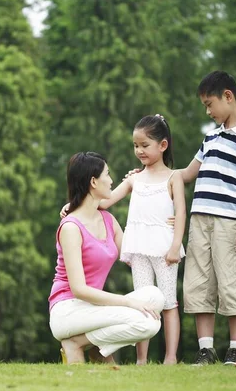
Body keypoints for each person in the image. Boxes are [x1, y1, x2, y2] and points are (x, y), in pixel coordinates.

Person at [124, 71, 236, 365]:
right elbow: (185, 174)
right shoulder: (210, 137)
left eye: (209, 104)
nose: (208, 111)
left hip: (230, 221)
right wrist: (147, 175)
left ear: (228, 96)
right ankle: (206, 349)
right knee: (199, 283)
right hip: (200, 221)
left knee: (230, 282)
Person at [60, 116, 186, 365]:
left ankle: (171, 357)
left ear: (163, 145)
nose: (139, 150)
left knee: (169, 303)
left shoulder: (174, 178)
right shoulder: (134, 179)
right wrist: (71, 205)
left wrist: (175, 246)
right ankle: (142, 359)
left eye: (144, 145)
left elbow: (181, 212)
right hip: (138, 247)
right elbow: (103, 201)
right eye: (135, 145)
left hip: (164, 248)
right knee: (141, 299)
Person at [49, 151, 165, 365]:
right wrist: (129, 302)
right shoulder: (71, 227)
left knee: (155, 296)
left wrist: (166, 226)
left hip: (92, 309)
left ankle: (92, 347)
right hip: (67, 310)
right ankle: (77, 343)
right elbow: (79, 290)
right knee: (148, 324)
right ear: (93, 181)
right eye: (108, 174)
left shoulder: (108, 220)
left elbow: (135, 252)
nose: (112, 180)